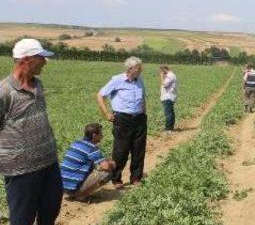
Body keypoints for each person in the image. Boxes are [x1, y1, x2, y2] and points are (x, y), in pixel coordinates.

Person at [0, 38, 62, 225]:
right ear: (26, 60)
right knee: (22, 216)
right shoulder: (5, 91)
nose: (45, 62)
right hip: (19, 166)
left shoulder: (39, 85)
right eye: (40, 58)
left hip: (48, 160)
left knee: (50, 207)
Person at [96, 56, 147, 188]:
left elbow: (143, 99)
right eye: (138, 68)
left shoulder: (139, 81)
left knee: (138, 149)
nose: (141, 70)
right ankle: (116, 179)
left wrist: (144, 114)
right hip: (123, 119)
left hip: (139, 118)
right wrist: (106, 113)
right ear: (130, 68)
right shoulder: (117, 80)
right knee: (121, 150)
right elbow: (100, 95)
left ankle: (136, 178)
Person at [60, 123, 116, 201]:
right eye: (100, 134)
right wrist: (112, 164)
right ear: (94, 135)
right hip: (74, 189)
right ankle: (81, 195)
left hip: (63, 187)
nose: (102, 136)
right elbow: (106, 167)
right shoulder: (92, 148)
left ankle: (77, 192)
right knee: (107, 173)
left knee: (92, 167)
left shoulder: (76, 143)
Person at [159, 65, 178, 131]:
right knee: (170, 112)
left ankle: (168, 129)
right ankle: (171, 128)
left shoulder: (170, 75)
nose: (161, 73)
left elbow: (165, 84)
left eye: (161, 71)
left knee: (168, 113)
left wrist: (161, 77)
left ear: (164, 69)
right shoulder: (171, 75)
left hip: (168, 97)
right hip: (169, 96)